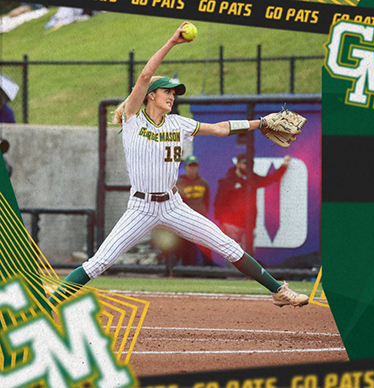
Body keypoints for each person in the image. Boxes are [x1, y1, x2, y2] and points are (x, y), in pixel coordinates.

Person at [49, 22, 308, 307]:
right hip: (141, 207)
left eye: (175, 93)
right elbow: (146, 75)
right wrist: (172, 42)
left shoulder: (179, 123)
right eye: (167, 92)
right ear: (151, 96)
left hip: (173, 205)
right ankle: (52, 299)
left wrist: (258, 123)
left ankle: (278, 291)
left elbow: (220, 129)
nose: (172, 96)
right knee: (101, 262)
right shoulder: (133, 120)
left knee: (226, 245)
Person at [214, 153, 290, 255]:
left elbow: (269, 179)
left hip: (248, 224)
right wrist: (223, 222)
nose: (247, 166)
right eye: (244, 164)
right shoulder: (227, 181)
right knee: (232, 255)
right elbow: (218, 202)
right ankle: (230, 272)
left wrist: (284, 166)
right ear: (238, 164)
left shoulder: (252, 179)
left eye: (249, 164)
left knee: (248, 257)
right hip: (231, 225)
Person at [175, 154, 215, 266]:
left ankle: (209, 269)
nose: (192, 168)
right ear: (186, 167)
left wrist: (202, 213)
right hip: (185, 220)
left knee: (205, 244)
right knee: (186, 246)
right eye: (190, 166)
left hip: (200, 219)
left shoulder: (203, 182)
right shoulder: (180, 183)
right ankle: (186, 270)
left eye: (194, 166)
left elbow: (206, 200)